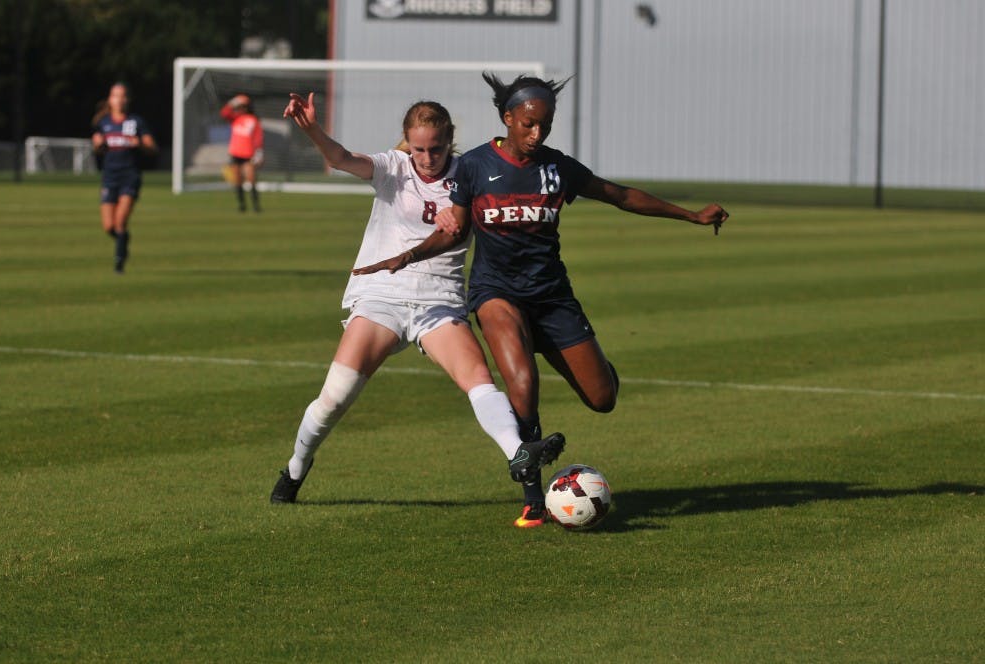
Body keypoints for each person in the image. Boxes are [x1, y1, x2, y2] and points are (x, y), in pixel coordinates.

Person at [353, 73, 730, 523]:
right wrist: (407, 256)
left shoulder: (557, 168)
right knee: (523, 385)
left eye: (545, 126)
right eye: (529, 124)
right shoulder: (473, 166)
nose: (537, 134)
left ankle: (574, 354)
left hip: (552, 296)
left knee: (602, 397)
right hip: (496, 293)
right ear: (508, 118)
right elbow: (453, 230)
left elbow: (619, 195)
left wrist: (690, 215)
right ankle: (533, 497)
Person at [269, 92, 565, 528]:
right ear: (408, 142)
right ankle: (296, 467)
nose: (427, 158)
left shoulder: (470, 175)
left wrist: (462, 218)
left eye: (437, 148)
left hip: (439, 301)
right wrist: (310, 126)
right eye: (420, 148)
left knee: (478, 380)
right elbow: (339, 157)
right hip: (381, 297)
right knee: (333, 400)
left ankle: (518, 455)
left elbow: (498, 215)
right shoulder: (394, 167)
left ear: (450, 142)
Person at [91, 82, 157, 273]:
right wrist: (97, 145)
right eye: (115, 96)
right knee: (108, 226)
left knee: (120, 222)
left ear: (127, 99)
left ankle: (119, 263)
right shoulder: (103, 123)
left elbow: (152, 148)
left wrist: (141, 144)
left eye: (122, 96)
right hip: (110, 176)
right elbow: (99, 149)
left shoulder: (136, 122)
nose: (118, 100)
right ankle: (123, 239)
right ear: (110, 100)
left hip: (130, 176)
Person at [220, 94, 264, 212]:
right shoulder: (235, 119)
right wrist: (232, 102)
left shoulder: (254, 120)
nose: (240, 109)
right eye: (239, 106)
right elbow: (224, 113)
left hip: (248, 154)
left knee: (251, 178)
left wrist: (259, 152)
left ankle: (256, 205)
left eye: (243, 106)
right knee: (238, 180)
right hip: (235, 153)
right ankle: (242, 205)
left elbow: (258, 137)